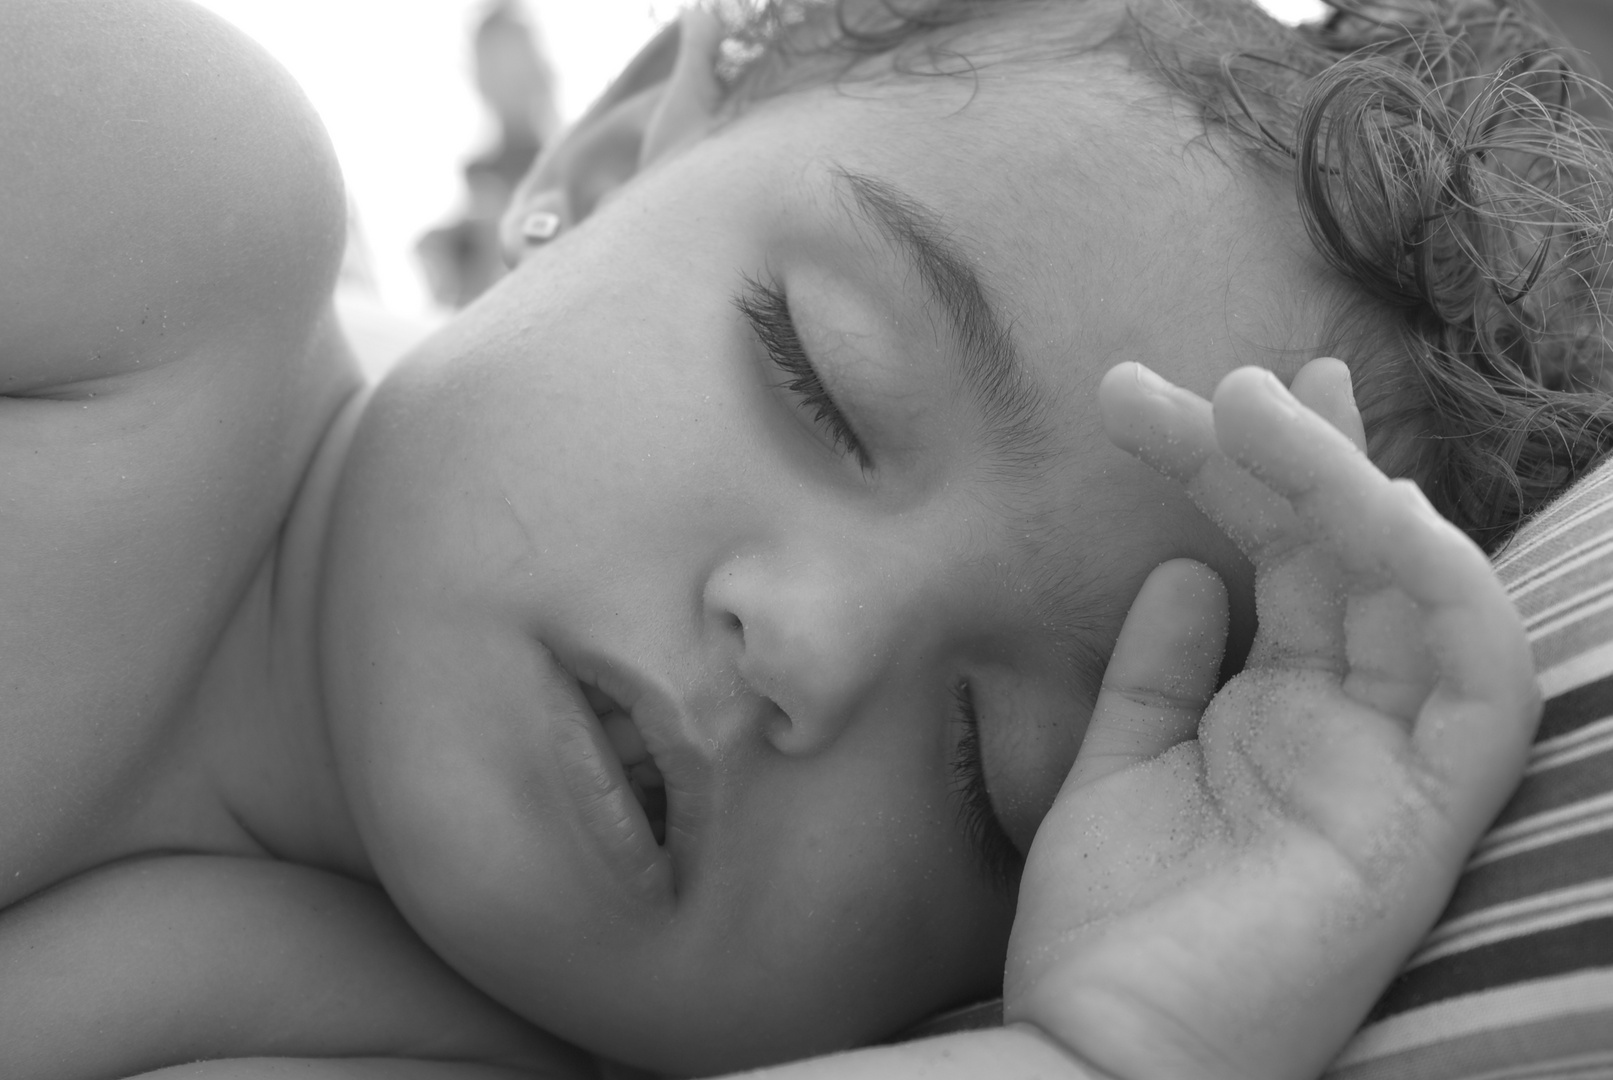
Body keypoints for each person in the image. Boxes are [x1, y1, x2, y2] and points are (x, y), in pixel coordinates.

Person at [0, 1, 1599, 1078]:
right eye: (817, 380)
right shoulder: (170, 237)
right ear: (621, 149)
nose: (812, 651)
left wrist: (1106, 1046)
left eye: (993, 780)